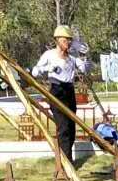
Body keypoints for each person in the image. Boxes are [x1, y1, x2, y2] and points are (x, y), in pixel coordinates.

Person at [31, 24, 88, 167]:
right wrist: (48, 68)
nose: (67, 43)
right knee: (63, 128)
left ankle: (68, 158)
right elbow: (34, 72)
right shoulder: (49, 55)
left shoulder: (72, 58)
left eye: (69, 40)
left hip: (69, 91)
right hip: (56, 91)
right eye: (65, 40)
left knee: (71, 127)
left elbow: (84, 69)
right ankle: (66, 163)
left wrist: (83, 58)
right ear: (57, 40)